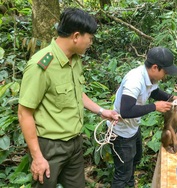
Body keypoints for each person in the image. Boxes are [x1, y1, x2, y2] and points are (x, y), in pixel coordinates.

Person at [18, 8, 118, 188]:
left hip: (74, 143)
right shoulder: (41, 65)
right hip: (49, 147)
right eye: (90, 38)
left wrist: (102, 111)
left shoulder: (75, 59)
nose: (90, 43)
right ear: (76, 36)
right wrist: (38, 157)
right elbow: (25, 113)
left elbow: (76, 92)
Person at [107, 46, 177, 187]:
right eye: (164, 72)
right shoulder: (134, 80)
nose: (165, 76)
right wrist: (154, 107)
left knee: (135, 160)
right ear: (155, 67)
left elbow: (154, 92)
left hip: (133, 128)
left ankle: (129, 184)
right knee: (122, 175)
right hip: (121, 133)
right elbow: (126, 111)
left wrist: (171, 97)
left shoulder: (149, 77)